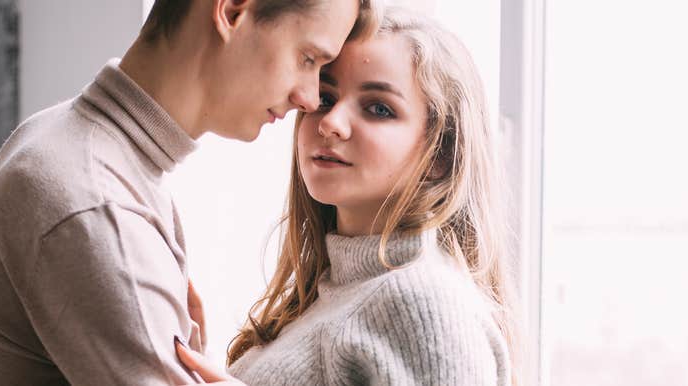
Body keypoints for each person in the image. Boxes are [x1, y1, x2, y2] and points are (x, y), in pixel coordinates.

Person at [0, 1, 380, 385]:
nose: (308, 96)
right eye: (307, 58)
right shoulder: (96, 203)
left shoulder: (70, 143)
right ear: (233, 11)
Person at [176, 7, 521, 386]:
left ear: (438, 156)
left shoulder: (424, 302)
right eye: (325, 97)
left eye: (378, 108)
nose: (330, 123)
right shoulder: (331, 293)